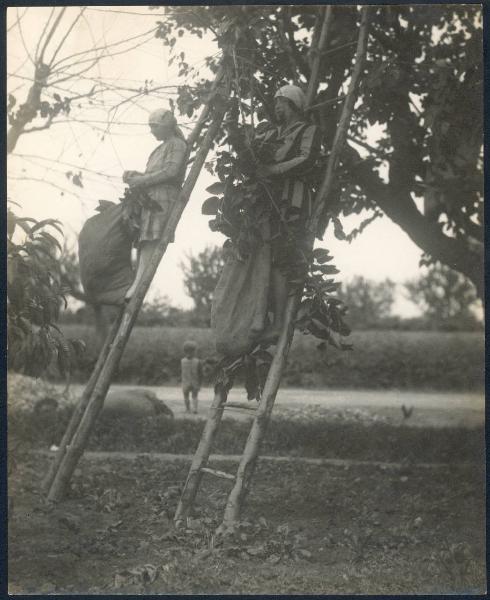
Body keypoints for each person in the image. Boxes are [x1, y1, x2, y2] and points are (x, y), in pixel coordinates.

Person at [255, 84, 321, 344]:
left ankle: (280, 321)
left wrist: (275, 170)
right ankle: (268, 317)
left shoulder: (308, 130)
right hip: (269, 200)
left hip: (292, 198)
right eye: (275, 103)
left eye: (281, 102)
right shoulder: (272, 132)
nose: (276, 107)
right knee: (266, 256)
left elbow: (307, 158)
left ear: (293, 104)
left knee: (283, 257)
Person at [122, 109, 187, 301]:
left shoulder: (176, 144)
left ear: (166, 126)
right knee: (144, 240)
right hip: (152, 197)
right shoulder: (162, 147)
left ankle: (138, 284)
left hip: (164, 197)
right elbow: (155, 173)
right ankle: (136, 282)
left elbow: (171, 172)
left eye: (155, 126)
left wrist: (142, 181)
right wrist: (136, 176)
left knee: (151, 240)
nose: (152, 131)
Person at [180, 340, 203, 414]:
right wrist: (200, 383)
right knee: (195, 396)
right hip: (195, 382)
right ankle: (195, 409)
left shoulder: (182, 361)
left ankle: (187, 409)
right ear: (194, 351)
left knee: (186, 396)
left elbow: (181, 372)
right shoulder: (198, 361)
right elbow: (200, 373)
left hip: (185, 382)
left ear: (184, 351)